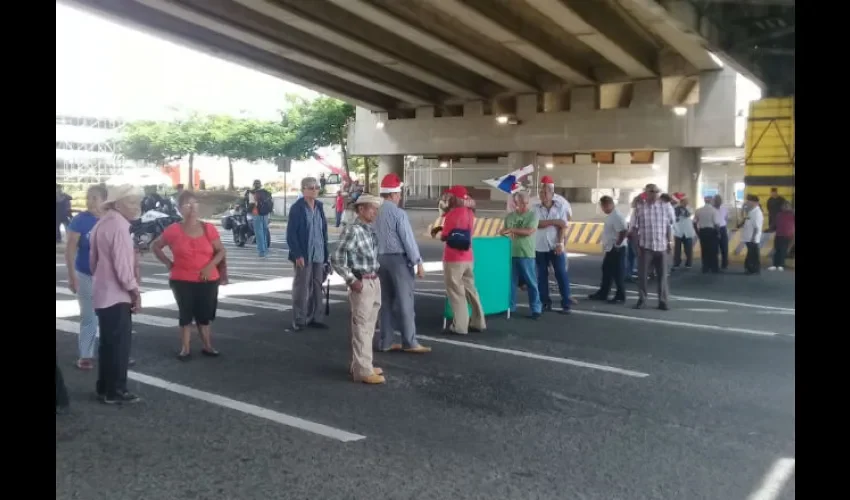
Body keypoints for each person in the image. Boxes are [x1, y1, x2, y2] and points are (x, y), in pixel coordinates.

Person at [152, 190, 226, 360]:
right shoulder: (173, 230)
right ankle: (185, 349)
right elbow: (155, 246)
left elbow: (221, 251)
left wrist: (210, 266)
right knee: (186, 314)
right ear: (179, 209)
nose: (192, 208)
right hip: (182, 279)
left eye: (195, 204)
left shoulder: (208, 228)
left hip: (208, 279)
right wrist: (168, 263)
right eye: (187, 205)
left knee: (205, 315)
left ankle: (208, 346)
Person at [89, 184, 143, 404]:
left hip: (102, 291)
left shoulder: (102, 223)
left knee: (107, 344)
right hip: (117, 293)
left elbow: (93, 262)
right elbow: (123, 268)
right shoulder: (120, 226)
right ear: (118, 203)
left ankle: (104, 387)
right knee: (119, 346)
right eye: (131, 202)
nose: (136, 206)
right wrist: (134, 291)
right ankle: (116, 391)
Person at [330, 194, 386, 385]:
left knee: (369, 326)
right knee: (362, 326)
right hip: (362, 282)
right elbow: (337, 257)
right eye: (372, 209)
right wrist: (351, 279)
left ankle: (362, 364)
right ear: (361, 209)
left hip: (373, 280)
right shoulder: (353, 230)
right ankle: (363, 370)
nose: (375, 213)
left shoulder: (368, 230)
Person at [374, 174, 430, 353]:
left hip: (379, 260)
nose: (400, 197)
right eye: (399, 193)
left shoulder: (374, 211)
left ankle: (386, 341)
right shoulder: (398, 213)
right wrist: (418, 262)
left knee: (385, 302)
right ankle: (410, 342)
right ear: (393, 194)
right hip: (398, 260)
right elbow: (408, 239)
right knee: (405, 301)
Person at [65, 184, 108, 370]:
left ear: (105, 200)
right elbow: (70, 249)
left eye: (95, 197)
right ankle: (85, 355)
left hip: (108, 277)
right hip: (85, 274)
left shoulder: (112, 219)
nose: (90, 201)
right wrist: (72, 276)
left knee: (111, 317)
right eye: (88, 197)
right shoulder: (80, 220)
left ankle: (113, 352)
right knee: (89, 316)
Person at [439, 185, 486, 335]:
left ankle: (460, 326)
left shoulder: (451, 215)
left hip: (453, 258)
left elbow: (445, 236)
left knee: (456, 292)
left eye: (450, 197)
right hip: (468, 257)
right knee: (471, 290)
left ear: (454, 198)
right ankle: (479, 322)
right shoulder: (470, 213)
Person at [286, 177, 330, 331]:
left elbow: (323, 232)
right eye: (311, 187)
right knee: (302, 287)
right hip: (303, 254)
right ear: (303, 189)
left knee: (317, 286)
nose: (315, 190)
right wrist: (297, 254)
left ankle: (315, 317)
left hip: (318, 252)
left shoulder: (319, 206)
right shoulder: (297, 208)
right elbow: (291, 234)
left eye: (317, 187)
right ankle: (299, 319)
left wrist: (326, 255)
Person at [630, 183, 671, 310]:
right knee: (642, 276)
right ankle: (642, 299)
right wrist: (637, 246)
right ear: (645, 193)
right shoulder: (639, 207)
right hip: (645, 246)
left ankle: (663, 301)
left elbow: (670, 225)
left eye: (656, 191)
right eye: (650, 191)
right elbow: (634, 228)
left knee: (662, 276)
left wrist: (670, 242)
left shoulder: (666, 206)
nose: (653, 194)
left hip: (662, 246)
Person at [502, 191, 542, 319]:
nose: (524, 206)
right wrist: (504, 232)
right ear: (515, 203)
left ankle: (536, 308)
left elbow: (529, 231)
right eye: (521, 203)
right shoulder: (509, 217)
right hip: (511, 254)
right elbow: (504, 232)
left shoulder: (532, 216)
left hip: (527, 254)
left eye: (526, 203)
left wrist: (512, 230)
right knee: (511, 283)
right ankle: (510, 307)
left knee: (531, 282)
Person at [534, 180, 572, 314]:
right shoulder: (535, 208)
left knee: (561, 274)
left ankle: (566, 303)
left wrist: (560, 243)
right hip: (539, 247)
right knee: (541, 276)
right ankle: (545, 302)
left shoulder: (560, 207)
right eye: (541, 192)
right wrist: (554, 222)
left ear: (552, 194)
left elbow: (563, 226)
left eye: (546, 192)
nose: (544, 195)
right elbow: (536, 224)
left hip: (556, 247)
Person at [589, 195, 627, 303]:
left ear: (609, 204)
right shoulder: (611, 215)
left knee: (617, 273)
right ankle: (603, 293)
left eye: (604, 206)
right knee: (606, 270)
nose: (603, 209)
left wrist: (617, 244)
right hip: (611, 248)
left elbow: (624, 231)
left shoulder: (617, 216)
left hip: (616, 249)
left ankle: (620, 295)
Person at [245, 180, 273, 257]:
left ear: (253, 185)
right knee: (264, 231)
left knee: (258, 233)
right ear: (260, 185)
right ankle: (266, 250)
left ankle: (262, 251)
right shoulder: (266, 192)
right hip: (265, 213)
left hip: (256, 213)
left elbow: (251, 204)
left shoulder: (252, 192)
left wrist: (247, 210)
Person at [694, 196, 720, 274]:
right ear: (711, 201)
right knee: (713, 250)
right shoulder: (714, 211)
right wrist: (718, 233)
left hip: (702, 232)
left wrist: (697, 232)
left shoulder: (698, 210)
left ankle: (705, 267)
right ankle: (714, 268)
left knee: (704, 250)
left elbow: (694, 222)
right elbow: (716, 224)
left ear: (704, 201)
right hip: (712, 232)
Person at [741, 194, 764, 275]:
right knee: (751, 254)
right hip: (749, 237)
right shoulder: (751, 211)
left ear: (754, 202)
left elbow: (756, 227)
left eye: (748, 201)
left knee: (753, 255)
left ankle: (753, 269)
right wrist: (743, 208)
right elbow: (744, 218)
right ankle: (750, 269)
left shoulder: (757, 213)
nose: (747, 203)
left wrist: (753, 238)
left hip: (752, 238)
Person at [672, 193, 695, 269]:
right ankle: (677, 263)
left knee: (688, 249)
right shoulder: (675, 208)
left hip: (688, 231)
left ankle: (688, 263)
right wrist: (679, 206)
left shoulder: (689, 208)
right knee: (677, 249)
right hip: (678, 231)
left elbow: (687, 214)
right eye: (683, 201)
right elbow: (675, 215)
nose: (685, 202)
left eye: (686, 201)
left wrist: (683, 207)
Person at [770, 202, 794, 271]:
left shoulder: (792, 214)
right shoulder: (779, 214)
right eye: (784, 206)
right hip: (778, 234)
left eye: (787, 206)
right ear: (781, 207)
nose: (785, 207)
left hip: (787, 235)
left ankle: (781, 264)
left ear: (790, 207)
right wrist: (770, 228)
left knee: (783, 250)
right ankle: (775, 264)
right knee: (776, 250)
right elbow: (775, 223)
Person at [712, 195, 730, 270]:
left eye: (720, 200)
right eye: (717, 200)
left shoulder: (724, 208)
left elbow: (726, 218)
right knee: (714, 248)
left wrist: (724, 224)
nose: (718, 202)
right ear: (714, 201)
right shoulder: (711, 209)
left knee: (724, 248)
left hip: (723, 228)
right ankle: (715, 265)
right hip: (713, 229)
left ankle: (724, 264)